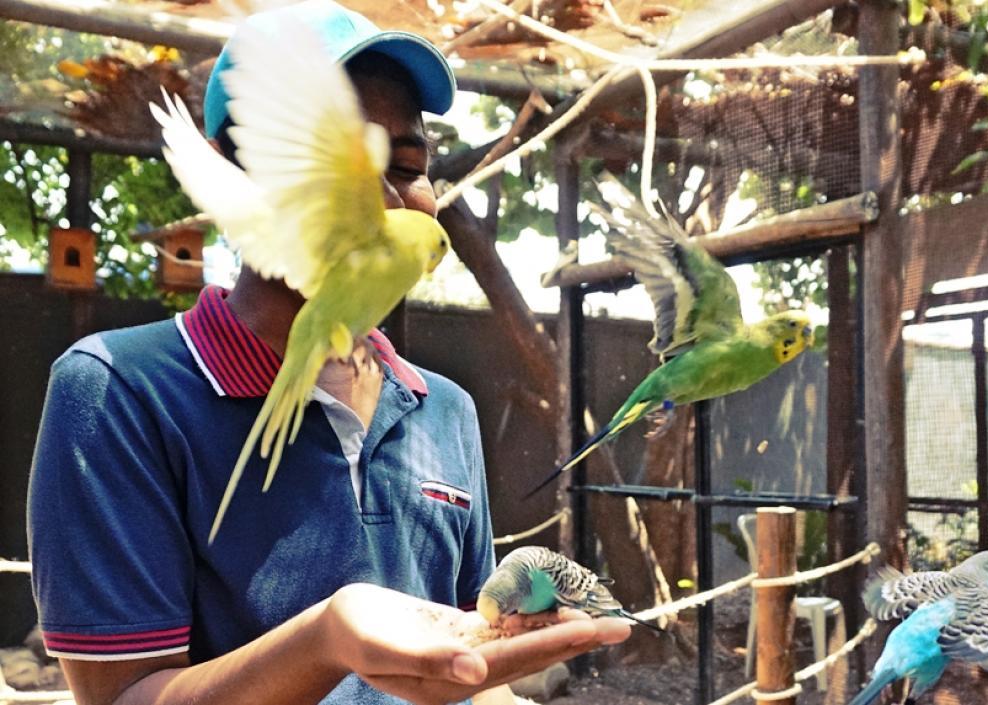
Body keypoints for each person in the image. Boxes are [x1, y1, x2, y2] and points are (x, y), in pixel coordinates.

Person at [24, 3, 629, 705]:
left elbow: (459, 660)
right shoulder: (118, 392)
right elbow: (122, 697)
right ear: (235, 179)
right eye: (334, 170)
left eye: (406, 166)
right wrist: (324, 641)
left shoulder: (445, 409)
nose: (378, 199)